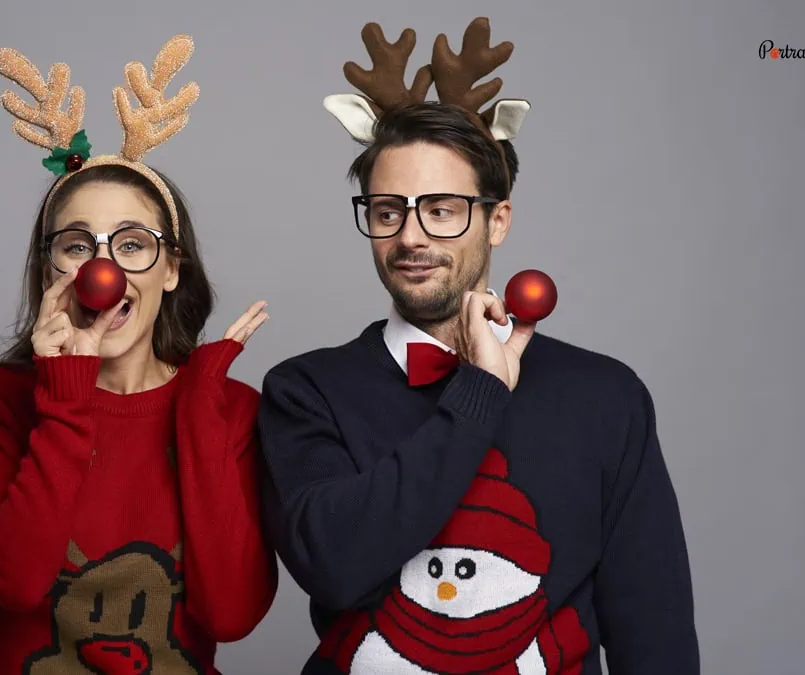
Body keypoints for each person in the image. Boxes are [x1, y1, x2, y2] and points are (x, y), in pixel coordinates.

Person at [257, 17, 698, 675]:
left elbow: (652, 628)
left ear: (498, 220)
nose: (410, 236)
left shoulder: (605, 397)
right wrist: (479, 394)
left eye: (441, 209)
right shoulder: (306, 390)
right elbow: (336, 564)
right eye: (387, 211)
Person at [0, 36, 276, 674]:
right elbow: (15, 584)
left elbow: (232, 616)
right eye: (77, 246)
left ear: (172, 268)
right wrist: (66, 393)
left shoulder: (232, 410)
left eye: (132, 244)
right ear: (49, 269)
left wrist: (201, 405)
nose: (106, 273)